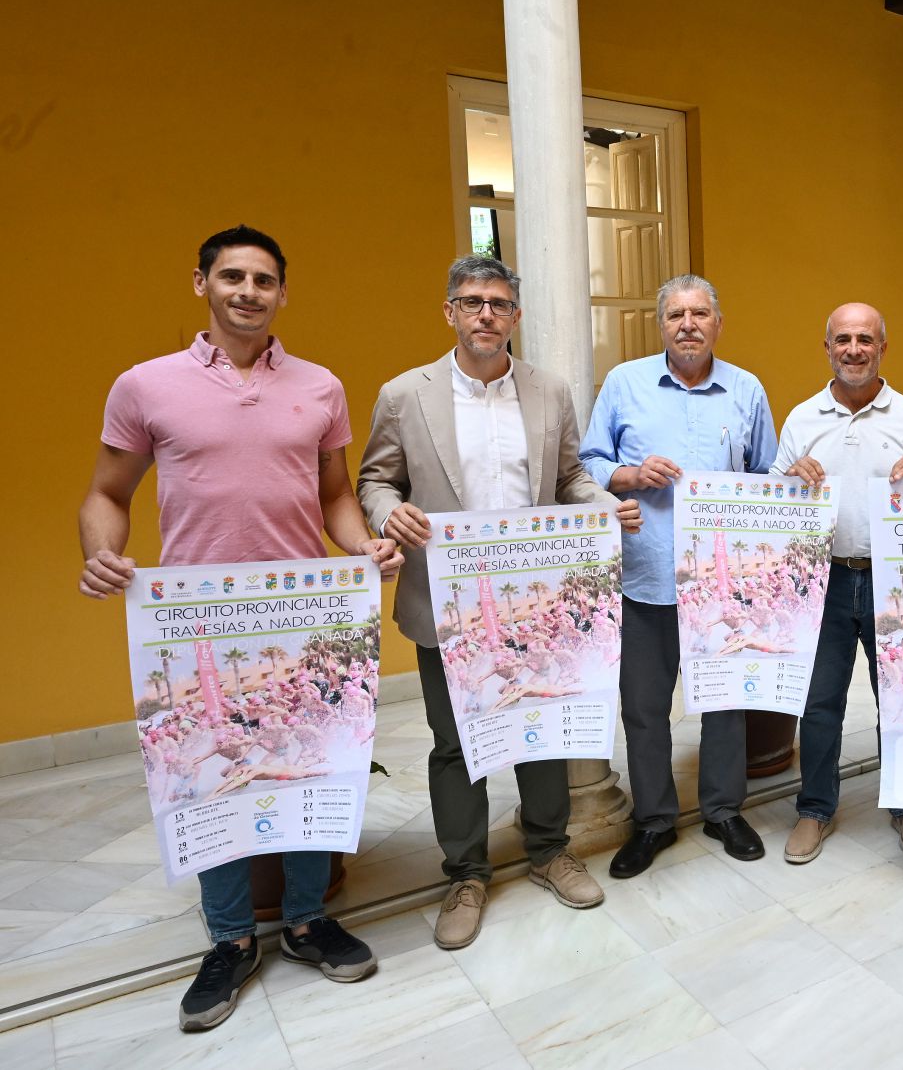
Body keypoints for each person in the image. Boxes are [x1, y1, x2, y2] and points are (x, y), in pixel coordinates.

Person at [78, 225, 403, 1031]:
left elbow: (335, 495)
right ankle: (228, 938)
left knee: (309, 765)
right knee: (210, 778)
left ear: (282, 293)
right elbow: (107, 494)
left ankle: (306, 921)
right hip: (199, 624)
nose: (248, 292)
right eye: (232, 277)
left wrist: (362, 545)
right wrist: (101, 554)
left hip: (304, 615)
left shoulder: (320, 387)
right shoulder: (145, 386)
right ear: (202, 284)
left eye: (263, 280)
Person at [357, 256, 640, 948]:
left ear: (515, 315)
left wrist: (604, 504)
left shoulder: (549, 391)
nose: (486, 314)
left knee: (539, 726)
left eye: (499, 303)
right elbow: (375, 479)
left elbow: (569, 477)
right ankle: (466, 873)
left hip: (534, 601)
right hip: (446, 602)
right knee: (456, 743)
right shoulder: (405, 394)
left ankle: (548, 850)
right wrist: (388, 512)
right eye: (471, 301)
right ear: (449, 312)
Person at [581, 274, 776, 877]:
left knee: (725, 703)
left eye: (699, 314)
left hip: (721, 585)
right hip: (645, 574)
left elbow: (767, 477)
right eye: (675, 315)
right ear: (660, 324)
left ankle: (723, 810)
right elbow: (588, 463)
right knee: (644, 708)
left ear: (718, 323)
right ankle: (654, 821)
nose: (687, 325)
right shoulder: (624, 383)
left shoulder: (747, 389)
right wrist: (629, 475)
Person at [773, 303, 903, 864]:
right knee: (819, 702)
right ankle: (814, 808)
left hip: (894, 583)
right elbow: (770, 503)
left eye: (865, 340)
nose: (854, 349)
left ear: (882, 348)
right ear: (827, 347)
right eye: (843, 339)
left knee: (899, 697)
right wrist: (788, 479)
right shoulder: (802, 419)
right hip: (822, 581)